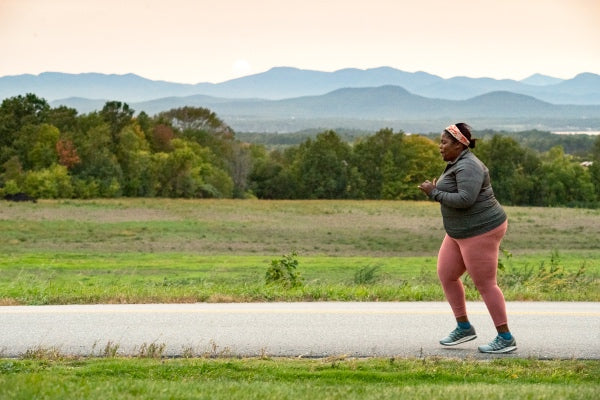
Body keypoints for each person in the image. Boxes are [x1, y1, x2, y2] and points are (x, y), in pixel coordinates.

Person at [418, 123, 516, 354]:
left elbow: (465, 199)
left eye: (444, 142)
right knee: (447, 274)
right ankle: (464, 327)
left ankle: (505, 337)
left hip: (481, 229)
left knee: (485, 284)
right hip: (459, 232)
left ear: (459, 144)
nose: (440, 147)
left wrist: (434, 193)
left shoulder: (469, 166)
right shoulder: (456, 163)